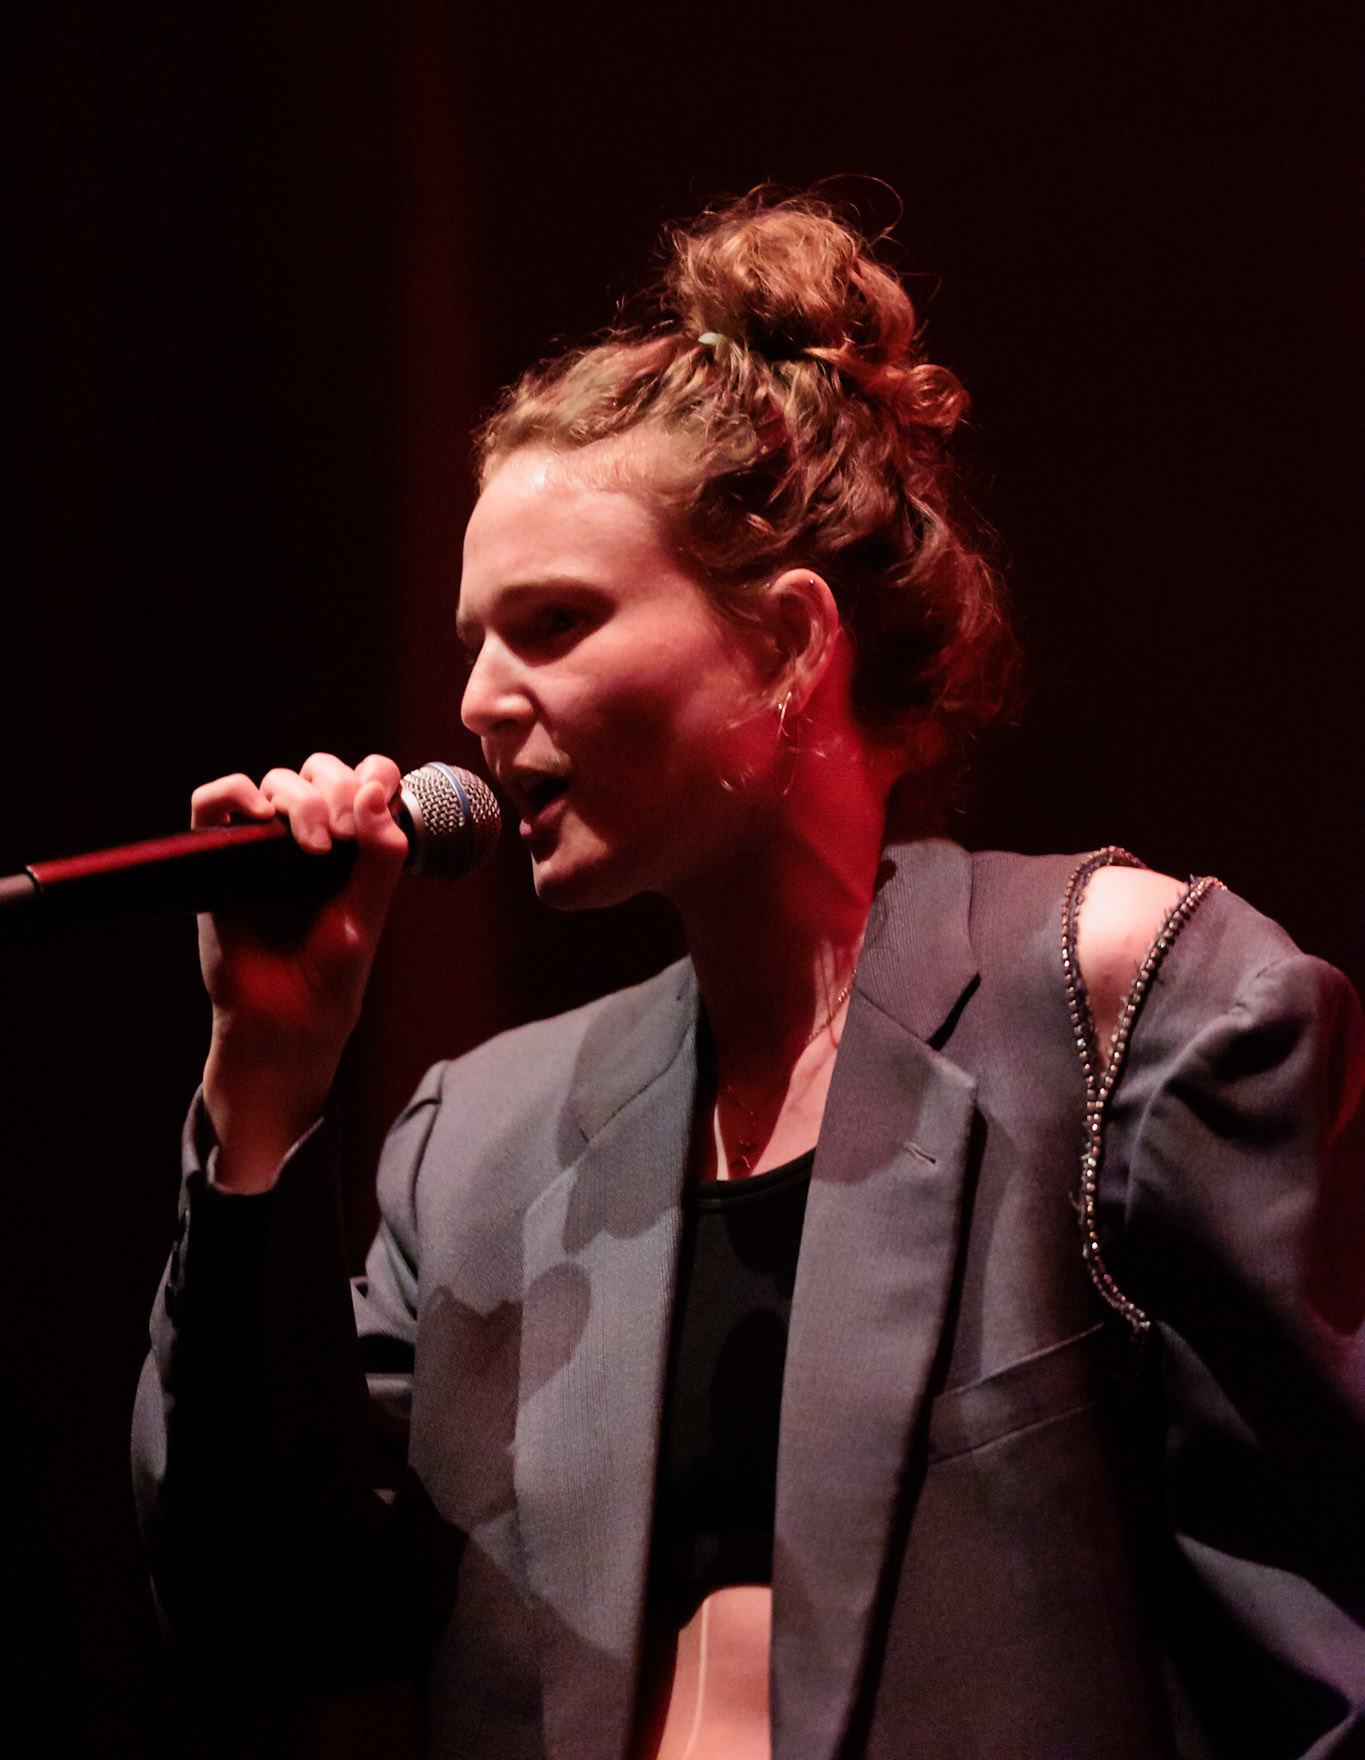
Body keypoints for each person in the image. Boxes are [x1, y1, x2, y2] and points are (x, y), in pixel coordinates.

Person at [134, 193, 1365, 1759]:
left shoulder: (1119, 1010)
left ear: (789, 641)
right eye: (471, 643)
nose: (478, 702)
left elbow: (1324, 1645)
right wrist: (265, 1080)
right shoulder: (485, 1145)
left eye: (555, 624)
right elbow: (262, 1602)